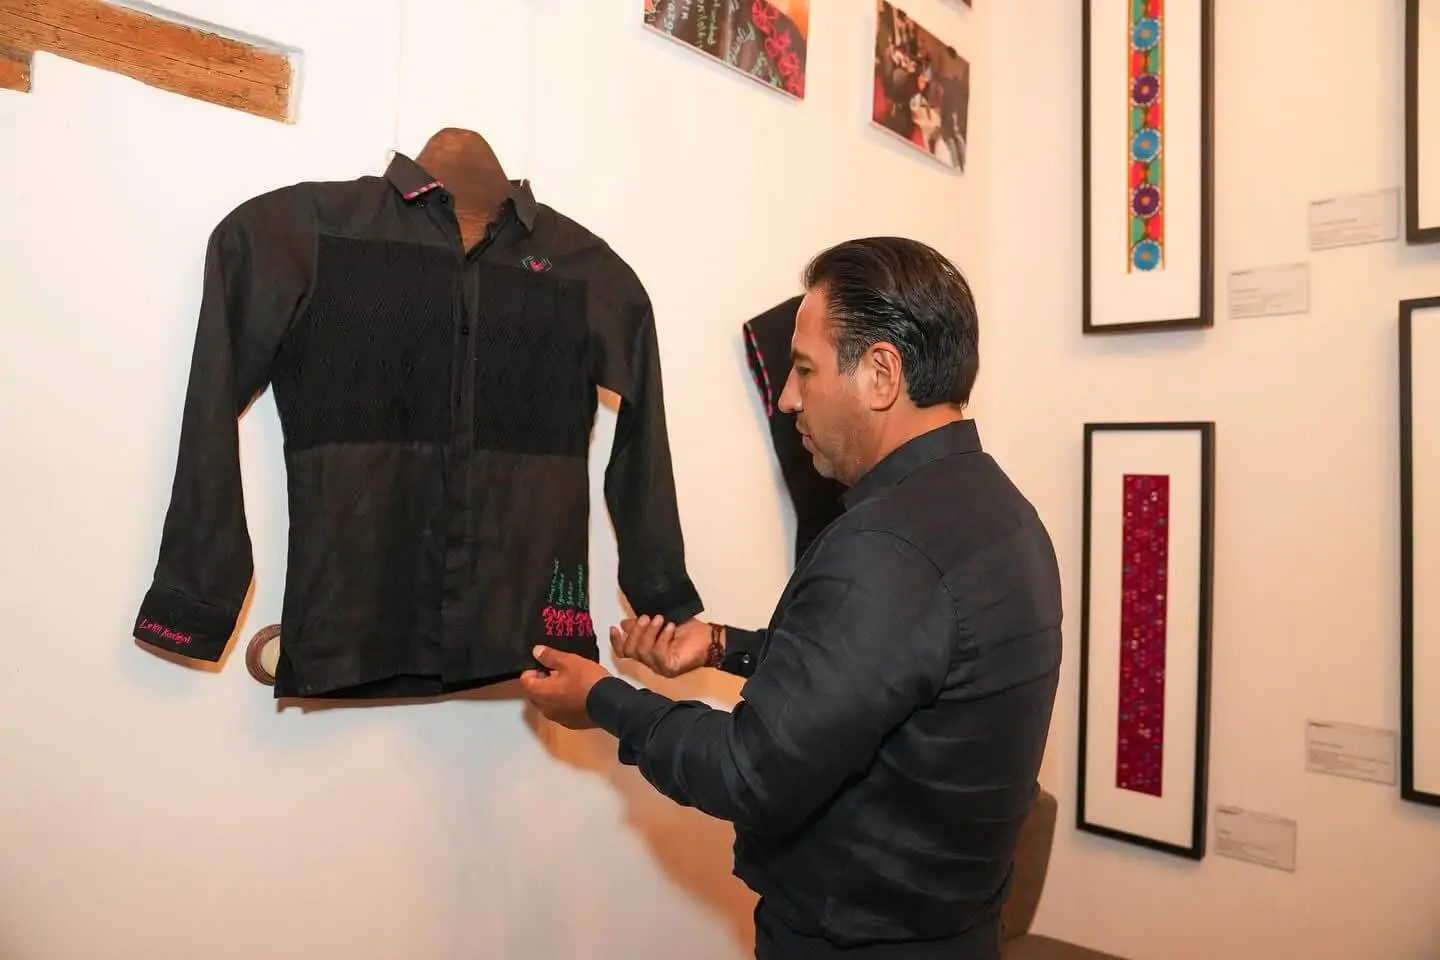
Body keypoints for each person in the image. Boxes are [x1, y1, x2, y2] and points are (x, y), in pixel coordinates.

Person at [519, 237, 1062, 959]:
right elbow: (886, 673)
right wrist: (720, 645)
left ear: (880, 373)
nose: (787, 398)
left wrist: (600, 701)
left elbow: (749, 770)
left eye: (803, 369)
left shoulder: (886, 547)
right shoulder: (1003, 514)